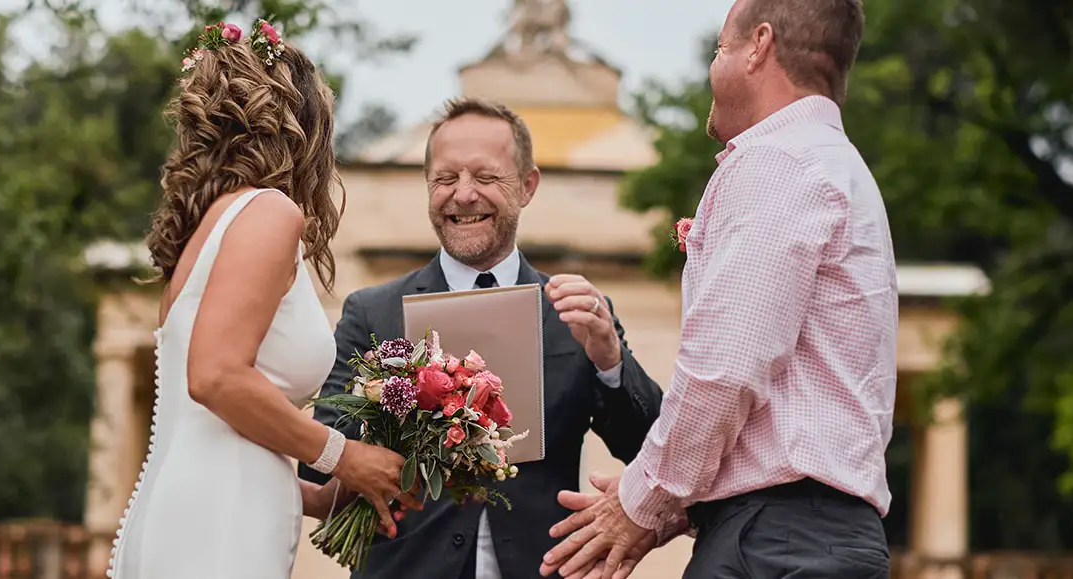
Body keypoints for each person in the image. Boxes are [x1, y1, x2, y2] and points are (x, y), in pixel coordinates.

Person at [539, 0, 898, 577]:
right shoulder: (840, 166)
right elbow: (788, 405)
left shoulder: (776, 161)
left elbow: (726, 372)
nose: (713, 65)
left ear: (758, 46)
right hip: (810, 537)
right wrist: (669, 508)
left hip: (774, 543)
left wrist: (643, 501)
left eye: (719, 48)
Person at [299, 97, 664, 579]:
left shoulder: (574, 311)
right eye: (445, 179)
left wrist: (611, 361)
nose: (463, 195)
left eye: (486, 178)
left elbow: (652, 450)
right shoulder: (372, 312)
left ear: (528, 186)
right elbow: (319, 462)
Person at [105, 20, 417, 579]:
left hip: (191, 508)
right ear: (305, 130)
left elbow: (217, 431)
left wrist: (321, 496)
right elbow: (217, 377)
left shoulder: (206, 231)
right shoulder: (269, 213)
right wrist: (344, 454)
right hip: (218, 526)